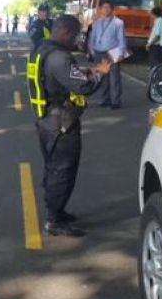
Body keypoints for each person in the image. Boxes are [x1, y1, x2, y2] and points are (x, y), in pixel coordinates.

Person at [28, 15, 112, 237]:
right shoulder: (59, 57)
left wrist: (89, 70)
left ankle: (57, 210)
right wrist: (100, 74)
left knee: (53, 167)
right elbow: (83, 87)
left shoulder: (41, 49)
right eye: (75, 35)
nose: (76, 40)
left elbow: (60, 77)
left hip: (46, 120)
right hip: (61, 124)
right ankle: (54, 220)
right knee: (63, 171)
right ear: (65, 32)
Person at [89, 1, 127, 109]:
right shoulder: (97, 22)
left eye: (108, 7)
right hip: (99, 52)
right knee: (102, 78)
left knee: (114, 78)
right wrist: (91, 49)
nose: (105, 9)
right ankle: (105, 99)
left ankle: (115, 102)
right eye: (103, 7)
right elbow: (93, 36)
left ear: (112, 9)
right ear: (101, 9)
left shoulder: (118, 23)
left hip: (112, 53)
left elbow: (121, 39)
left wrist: (121, 53)